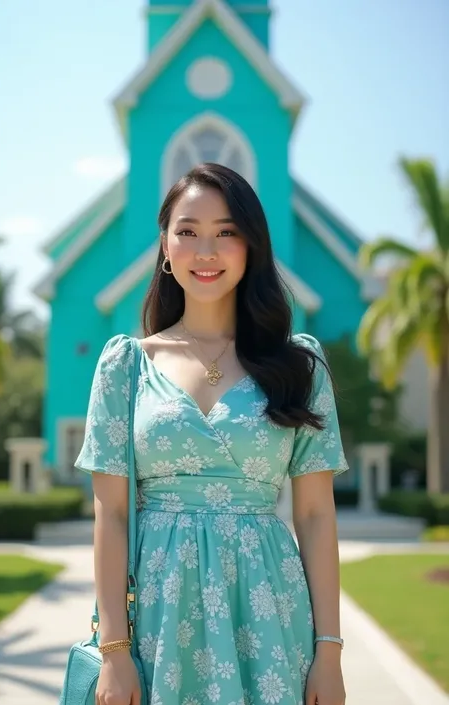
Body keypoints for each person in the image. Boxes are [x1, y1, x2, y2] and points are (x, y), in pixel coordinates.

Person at [75, 163, 348, 705]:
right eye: (188, 231)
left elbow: (315, 516)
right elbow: (113, 512)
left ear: (251, 247)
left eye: (227, 232)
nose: (206, 251)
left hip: (270, 613)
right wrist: (114, 652)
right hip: (156, 615)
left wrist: (329, 652)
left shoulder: (300, 366)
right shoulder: (125, 365)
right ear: (165, 247)